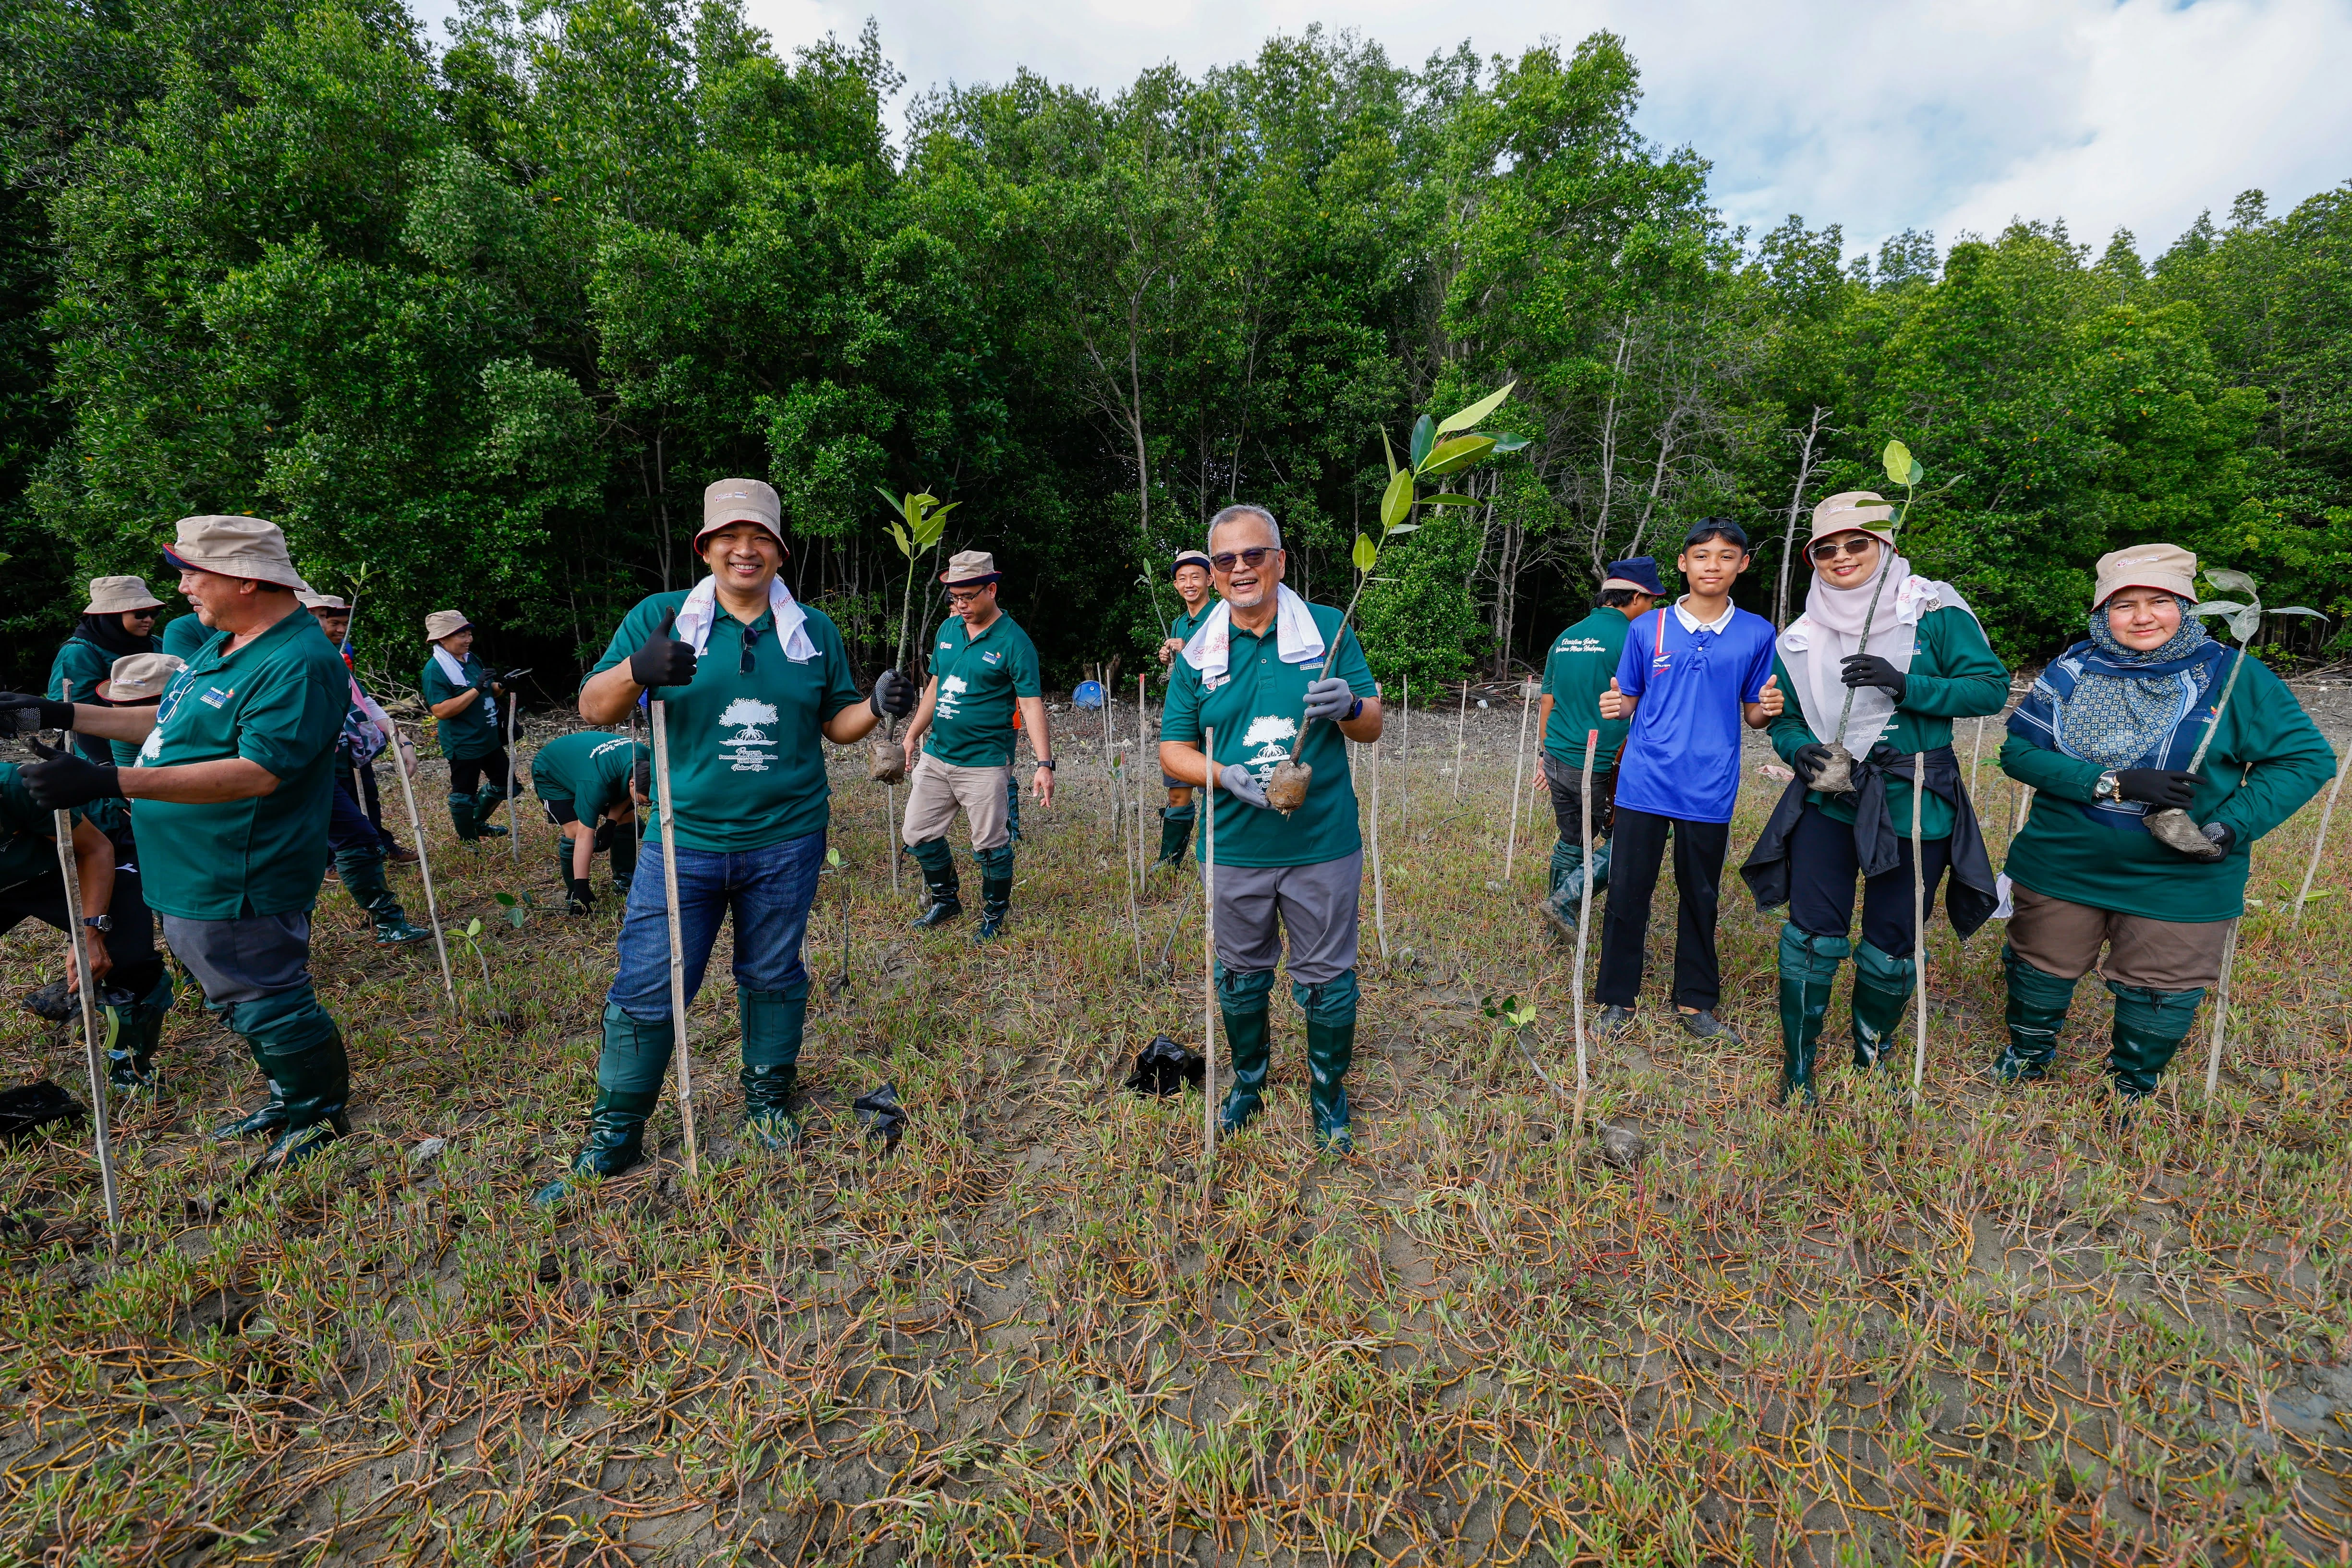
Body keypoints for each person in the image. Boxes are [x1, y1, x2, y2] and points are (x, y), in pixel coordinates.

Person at [538, 479, 915, 1203]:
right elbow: (592, 705)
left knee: (773, 974)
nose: (746, 549)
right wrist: (636, 671)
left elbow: (833, 723)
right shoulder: (663, 617)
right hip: (685, 841)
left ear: (779, 551)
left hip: (789, 836)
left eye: (762, 537)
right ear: (706, 547)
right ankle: (616, 1133)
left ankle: (767, 1103)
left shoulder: (812, 629)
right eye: (729, 537)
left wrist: (873, 706)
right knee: (649, 982)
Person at [10, 514, 354, 1176]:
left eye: (193, 571)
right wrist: (58, 712)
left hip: (241, 867)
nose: (185, 586)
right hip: (191, 864)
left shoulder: (297, 660)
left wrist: (107, 776)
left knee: (267, 996)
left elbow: (260, 771)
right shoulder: (225, 642)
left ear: (247, 579)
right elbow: (167, 715)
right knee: (235, 993)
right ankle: (289, 1097)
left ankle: (318, 1113)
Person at [1993, 544, 2333, 1105]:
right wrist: (2111, 781)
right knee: (2039, 964)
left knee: (2163, 983)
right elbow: (2020, 755)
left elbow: (2303, 760)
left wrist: (2224, 828)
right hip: (2062, 860)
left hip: (2180, 873)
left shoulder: (2233, 677)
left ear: (2188, 607)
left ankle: (2130, 1083)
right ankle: (2027, 1058)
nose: (2142, 616)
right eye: (2124, 605)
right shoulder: (2071, 669)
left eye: (2160, 601)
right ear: (2103, 614)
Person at [1738, 494, 2009, 1105]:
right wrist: (1796, 751)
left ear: (1884, 548)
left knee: (1892, 937)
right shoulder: (1801, 635)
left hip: (1915, 793)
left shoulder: (1932, 610)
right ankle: (1799, 1066)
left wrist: (1904, 684)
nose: (1841, 557)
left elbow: (1988, 689)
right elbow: (1784, 719)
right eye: (1826, 549)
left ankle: (1870, 1054)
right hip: (1831, 796)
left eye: (1856, 544)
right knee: (1811, 933)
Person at [1158, 504, 1382, 1154]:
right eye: (1224, 560)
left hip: (1320, 843)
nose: (1239, 569)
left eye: (1253, 555)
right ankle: (1248, 1082)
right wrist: (1220, 774)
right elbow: (1173, 748)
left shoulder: (1327, 629)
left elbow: (1372, 723)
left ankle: (1327, 1095)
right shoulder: (1198, 650)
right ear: (1213, 571)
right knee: (1240, 972)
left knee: (1327, 977)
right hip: (1232, 846)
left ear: (1279, 560)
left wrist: (1347, 707)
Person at [1591, 519, 1783, 1042]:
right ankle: (1615, 997)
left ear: (1741, 565)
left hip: (1709, 783)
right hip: (1644, 780)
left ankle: (1694, 1002)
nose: (1712, 566)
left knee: (1699, 894)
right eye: (1701, 556)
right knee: (1628, 891)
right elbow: (1628, 697)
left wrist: (1768, 709)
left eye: (1725, 556)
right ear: (1683, 563)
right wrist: (1616, 704)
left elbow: (1752, 713)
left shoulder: (1756, 632)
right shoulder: (1645, 628)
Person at [0, 658, 175, 1090]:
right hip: (11, 873)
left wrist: (91, 932)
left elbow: (94, 849)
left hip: (80, 851)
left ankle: (128, 1063)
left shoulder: (13, 781)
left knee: (128, 960)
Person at [898, 550, 1054, 941]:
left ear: (992, 589)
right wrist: (913, 733)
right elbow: (935, 686)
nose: (962, 605)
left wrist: (1044, 763)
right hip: (938, 755)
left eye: (969, 596)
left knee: (989, 844)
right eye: (955, 598)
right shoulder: (948, 631)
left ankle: (994, 914)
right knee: (916, 833)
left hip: (984, 761)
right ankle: (946, 900)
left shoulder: (1015, 642)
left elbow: (1031, 704)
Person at [290, 594, 431, 946]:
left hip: (335, 756)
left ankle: (387, 921)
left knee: (359, 833)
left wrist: (398, 737)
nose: (331, 626)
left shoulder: (330, 658)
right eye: (323, 616)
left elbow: (359, 698)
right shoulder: (285, 657)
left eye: (333, 618)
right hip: (297, 766)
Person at [1534, 557, 1661, 935]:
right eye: (1651, 600)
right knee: (1635, 838)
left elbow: (1546, 701)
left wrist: (1543, 756)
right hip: (1602, 765)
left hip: (1557, 756)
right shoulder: (1634, 639)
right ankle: (1566, 900)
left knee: (1574, 836)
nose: (1652, 609)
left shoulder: (1567, 635)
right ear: (1635, 597)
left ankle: (1557, 918)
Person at [304, 593, 417, 865]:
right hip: (322, 753)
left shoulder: (337, 657)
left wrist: (400, 739)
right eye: (331, 622)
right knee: (334, 809)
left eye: (344, 623)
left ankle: (380, 845)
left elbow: (363, 700)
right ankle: (334, 861)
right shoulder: (301, 658)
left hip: (354, 748)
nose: (340, 630)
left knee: (367, 798)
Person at [421, 611, 518, 843]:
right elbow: (441, 711)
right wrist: (476, 688)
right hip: (463, 743)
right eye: (461, 636)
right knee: (464, 795)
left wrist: (501, 684)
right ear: (442, 639)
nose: (468, 640)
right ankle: (469, 841)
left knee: (507, 786)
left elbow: (488, 690)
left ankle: (476, 822)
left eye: (469, 634)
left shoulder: (470, 658)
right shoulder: (435, 670)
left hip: (489, 737)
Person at [530, 729, 647, 912]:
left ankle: (625, 880)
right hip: (552, 771)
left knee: (627, 817)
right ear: (632, 783)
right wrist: (582, 885)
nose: (645, 805)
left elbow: (628, 793)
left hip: (590, 765)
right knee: (576, 832)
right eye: (644, 802)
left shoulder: (646, 760)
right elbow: (586, 834)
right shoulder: (596, 786)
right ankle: (575, 893)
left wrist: (611, 823)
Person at [48, 576, 162, 766]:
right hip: (102, 750)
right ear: (112, 615)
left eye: (154, 614)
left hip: (156, 740)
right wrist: (104, 764)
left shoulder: (156, 643)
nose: (149, 620)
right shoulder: (79, 652)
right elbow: (67, 712)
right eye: (140, 614)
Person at [1154, 548, 1218, 869]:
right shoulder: (1180, 622)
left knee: (1215, 786)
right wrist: (1168, 655)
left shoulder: (1223, 616)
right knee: (1178, 791)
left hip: (1213, 711)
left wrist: (1189, 648)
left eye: (1195, 576)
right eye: (1182, 578)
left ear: (1210, 579)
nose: (1188, 583)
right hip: (1182, 715)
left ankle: (1216, 857)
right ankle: (1170, 860)